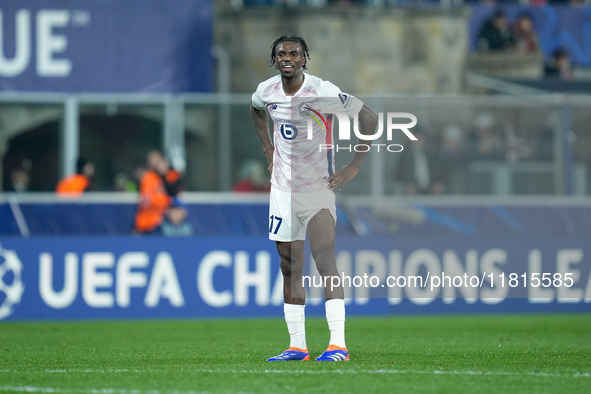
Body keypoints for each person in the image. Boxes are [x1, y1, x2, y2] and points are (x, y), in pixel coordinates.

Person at [250, 35, 378, 362]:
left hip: (318, 189)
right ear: (274, 59)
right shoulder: (267, 91)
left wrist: (355, 164)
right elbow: (255, 109)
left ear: (304, 58)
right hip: (282, 191)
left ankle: (338, 345)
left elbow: (369, 117)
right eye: (281, 53)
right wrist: (267, 147)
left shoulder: (322, 91)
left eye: (294, 53)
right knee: (290, 266)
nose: (287, 58)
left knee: (325, 260)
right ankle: (297, 347)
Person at [133, 150, 171, 234]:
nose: (154, 163)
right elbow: (146, 201)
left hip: (162, 224)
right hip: (146, 224)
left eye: (157, 161)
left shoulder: (169, 178)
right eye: (151, 160)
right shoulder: (149, 178)